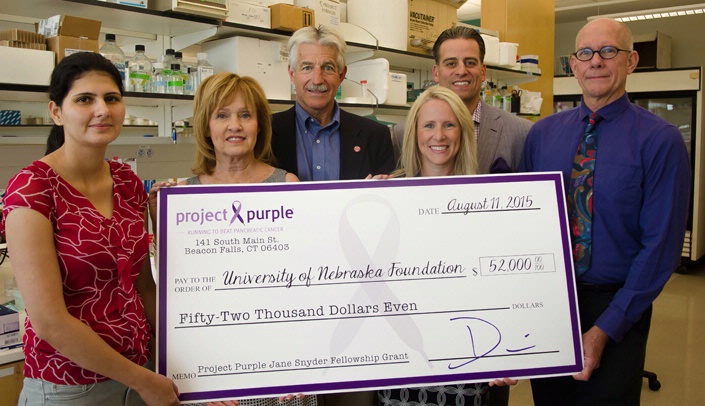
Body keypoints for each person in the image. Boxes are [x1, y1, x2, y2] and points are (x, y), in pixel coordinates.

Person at [521, 18, 690, 405]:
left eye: (608, 51)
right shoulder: (542, 135)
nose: (596, 61)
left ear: (630, 62)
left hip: (618, 307)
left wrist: (603, 330)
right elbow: (525, 225)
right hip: (551, 301)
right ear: (573, 65)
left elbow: (660, 248)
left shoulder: (660, 141)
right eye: (585, 53)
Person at [0, 52, 180, 405]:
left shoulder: (127, 181)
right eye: (85, 99)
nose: (103, 110)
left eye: (112, 98)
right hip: (71, 386)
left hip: (142, 372)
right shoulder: (32, 190)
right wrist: (144, 381)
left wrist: (169, 359)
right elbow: (50, 321)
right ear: (56, 112)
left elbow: (144, 287)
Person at [148, 72, 312, 406]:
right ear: (205, 126)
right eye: (222, 115)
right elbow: (183, 298)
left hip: (280, 368)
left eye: (245, 115)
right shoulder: (182, 196)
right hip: (213, 374)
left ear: (259, 125)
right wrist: (158, 214)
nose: (234, 125)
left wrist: (300, 363)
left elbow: (306, 285)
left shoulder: (288, 186)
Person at [377, 86, 515, 406]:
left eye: (449, 125)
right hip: (402, 358)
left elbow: (503, 283)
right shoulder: (386, 197)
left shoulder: (489, 199)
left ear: (463, 133)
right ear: (414, 133)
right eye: (429, 125)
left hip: (466, 357)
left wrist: (510, 349)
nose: (438, 135)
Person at [393, 26, 531, 175]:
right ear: (436, 72)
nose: (461, 71)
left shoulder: (520, 133)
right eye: (451, 63)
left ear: (483, 72)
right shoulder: (402, 133)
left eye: (470, 63)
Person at [271, 25, 395, 181]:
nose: (317, 79)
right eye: (307, 67)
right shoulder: (265, 133)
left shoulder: (376, 136)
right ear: (292, 74)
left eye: (328, 68)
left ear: (341, 75)